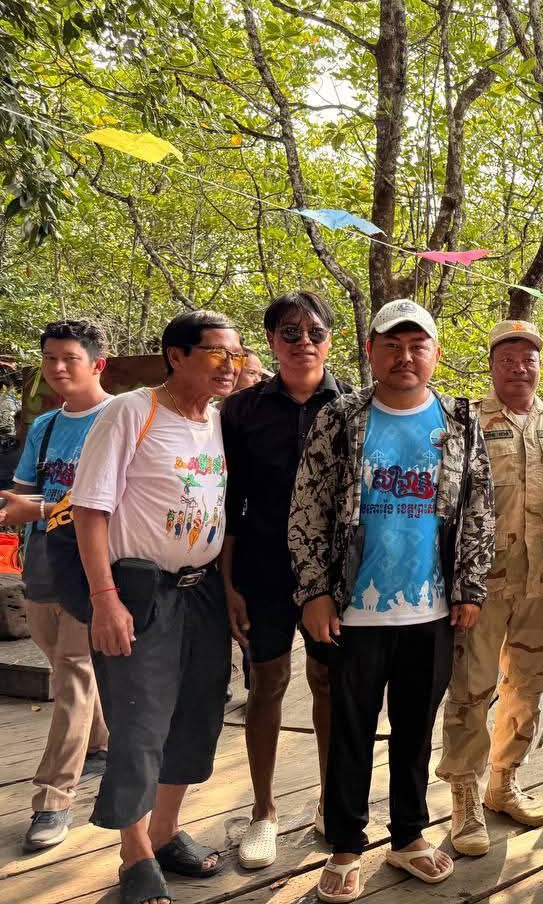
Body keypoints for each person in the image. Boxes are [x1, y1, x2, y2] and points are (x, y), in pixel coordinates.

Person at [288, 298, 494, 903]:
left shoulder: (458, 421)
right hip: (352, 610)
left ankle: (408, 835)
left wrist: (470, 588)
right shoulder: (342, 418)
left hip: (431, 609)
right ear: (370, 351)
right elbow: (307, 508)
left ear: (435, 353)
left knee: (415, 729)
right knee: (350, 729)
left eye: (417, 345)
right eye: (392, 345)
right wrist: (314, 592)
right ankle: (346, 844)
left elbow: (480, 508)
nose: (405, 356)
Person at [73, 310, 242, 904]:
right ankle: (135, 851)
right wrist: (105, 599)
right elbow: (90, 510)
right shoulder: (131, 411)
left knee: (198, 713)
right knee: (139, 721)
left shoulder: (218, 421)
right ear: (177, 356)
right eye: (217, 352)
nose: (230, 363)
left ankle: (166, 830)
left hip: (204, 592)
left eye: (236, 353)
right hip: (140, 592)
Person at [220, 292, 350, 868]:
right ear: (271, 340)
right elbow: (227, 502)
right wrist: (229, 583)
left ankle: (329, 802)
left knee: (329, 683)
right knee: (267, 684)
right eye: (290, 333)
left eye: (314, 332)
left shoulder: (352, 406)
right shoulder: (241, 411)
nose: (303, 343)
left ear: (330, 340)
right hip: (263, 567)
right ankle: (264, 811)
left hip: (333, 574)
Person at [437, 319, 543, 856]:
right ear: (492, 365)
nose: (520, 368)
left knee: (528, 686)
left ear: (540, 364)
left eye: (529, 359)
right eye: (507, 359)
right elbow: (447, 504)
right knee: (471, 688)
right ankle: (464, 795)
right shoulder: (466, 421)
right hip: (484, 582)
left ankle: (503, 781)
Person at [0, 320, 112, 851]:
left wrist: (41, 509)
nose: (58, 368)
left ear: (97, 363)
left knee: (72, 673)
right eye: (50, 359)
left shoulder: (118, 419)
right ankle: (103, 743)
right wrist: (16, 509)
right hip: (44, 561)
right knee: (62, 661)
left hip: (95, 564)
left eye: (70, 358)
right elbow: (21, 494)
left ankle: (52, 798)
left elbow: (118, 497)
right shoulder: (45, 426)